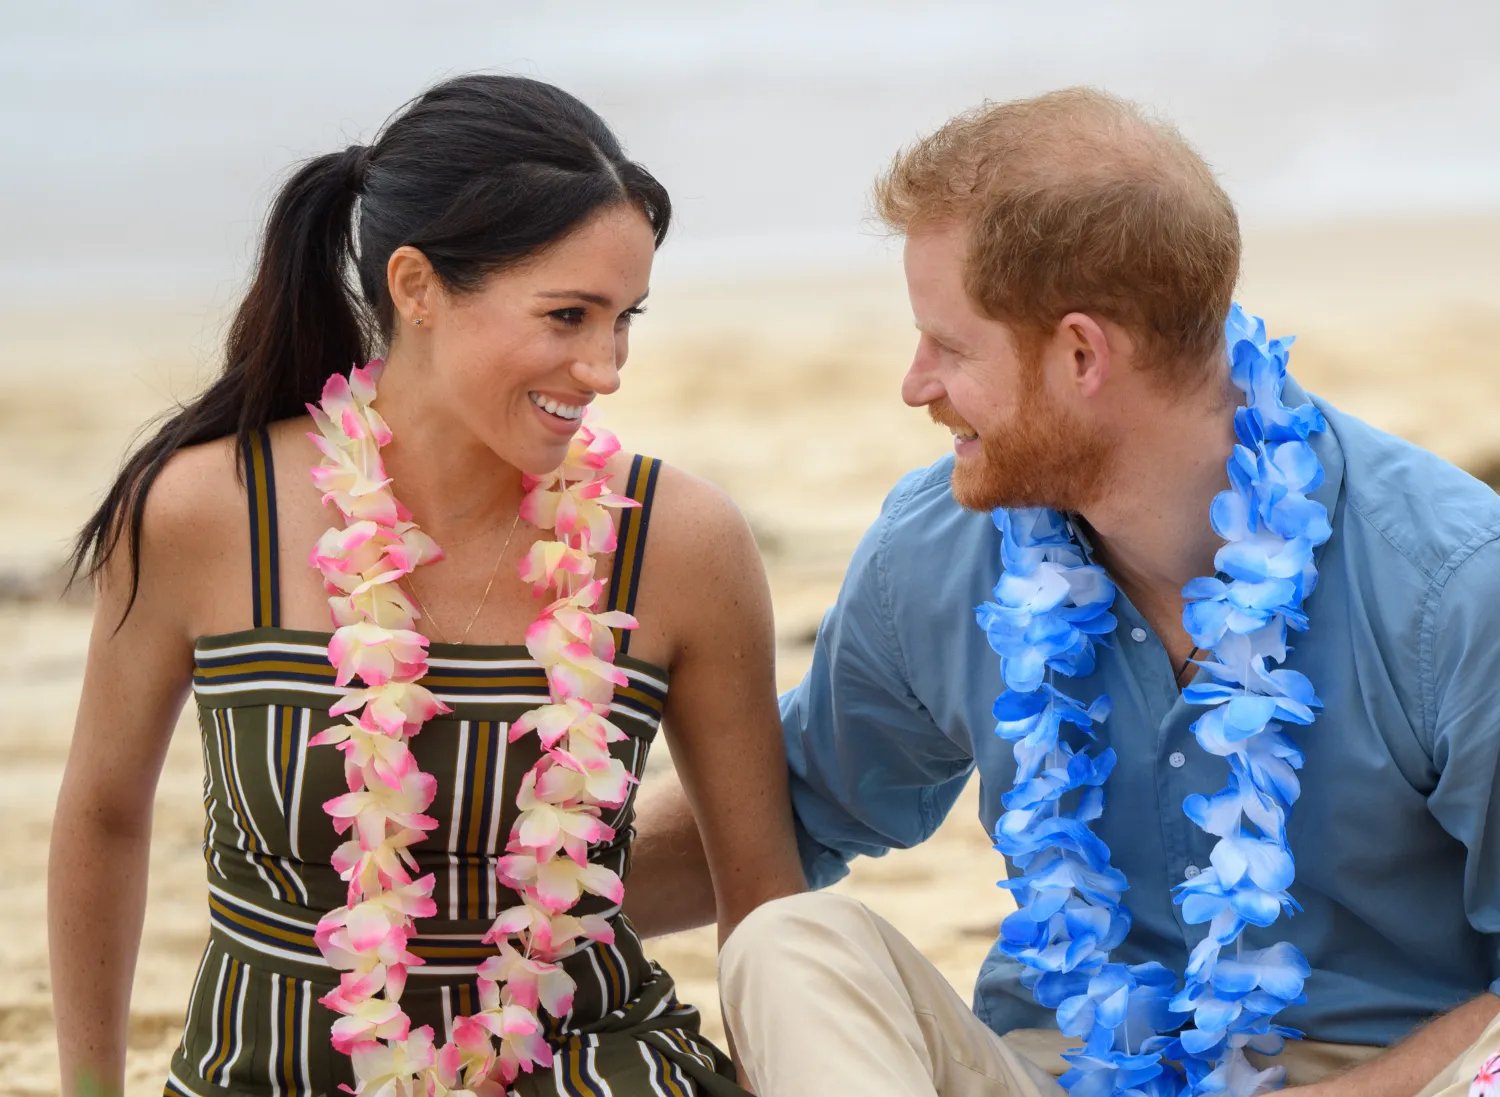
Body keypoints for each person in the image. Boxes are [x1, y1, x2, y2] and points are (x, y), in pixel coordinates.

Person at [628, 88, 1500, 1096]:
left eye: (948, 347)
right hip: (1064, 1071)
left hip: (1392, 1080)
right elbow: (784, 809)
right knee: (790, 942)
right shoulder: (942, 547)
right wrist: (482, 895)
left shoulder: (1451, 585)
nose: (915, 385)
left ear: (1082, 353)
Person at [49, 73, 805, 1097]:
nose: (606, 365)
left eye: (625, 317)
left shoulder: (681, 543)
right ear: (416, 287)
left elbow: (760, 889)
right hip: (267, 1073)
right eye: (569, 314)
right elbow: (101, 813)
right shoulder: (202, 510)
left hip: (591, 1069)